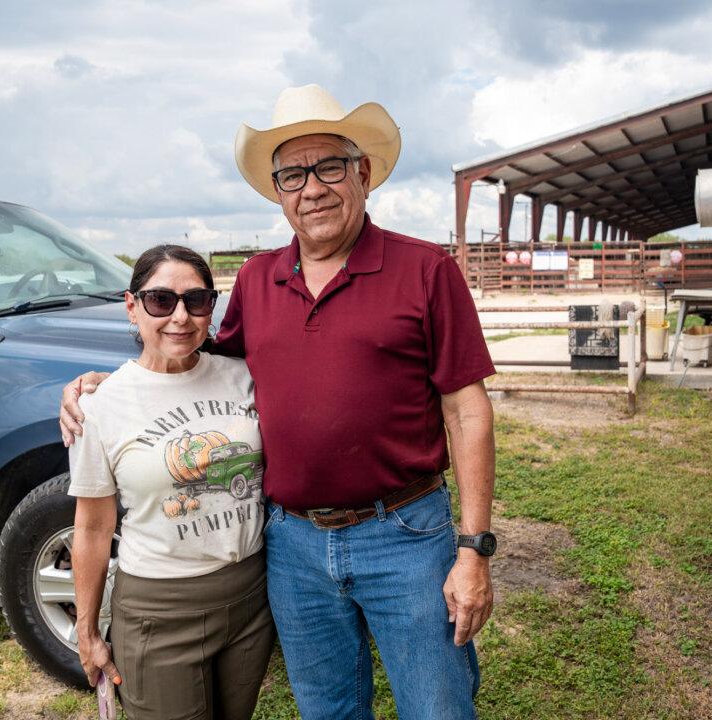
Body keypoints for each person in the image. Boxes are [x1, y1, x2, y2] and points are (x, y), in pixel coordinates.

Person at [62, 84, 497, 720]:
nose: (312, 188)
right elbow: (196, 363)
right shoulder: (259, 281)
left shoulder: (426, 270)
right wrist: (102, 383)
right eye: (293, 174)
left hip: (405, 533)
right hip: (292, 546)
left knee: (438, 707)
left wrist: (473, 548)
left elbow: (467, 410)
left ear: (363, 173)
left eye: (328, 167)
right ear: (277, 191)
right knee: (327, 710)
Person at [68, 244, 274, 720]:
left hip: (249, 597)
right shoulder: (101, 406)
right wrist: (87, 630)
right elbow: (93, 530)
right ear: (132, 305)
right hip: (159, 609)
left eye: (197, 301)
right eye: (161, 300)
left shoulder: (242, 374)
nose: (180, 317)